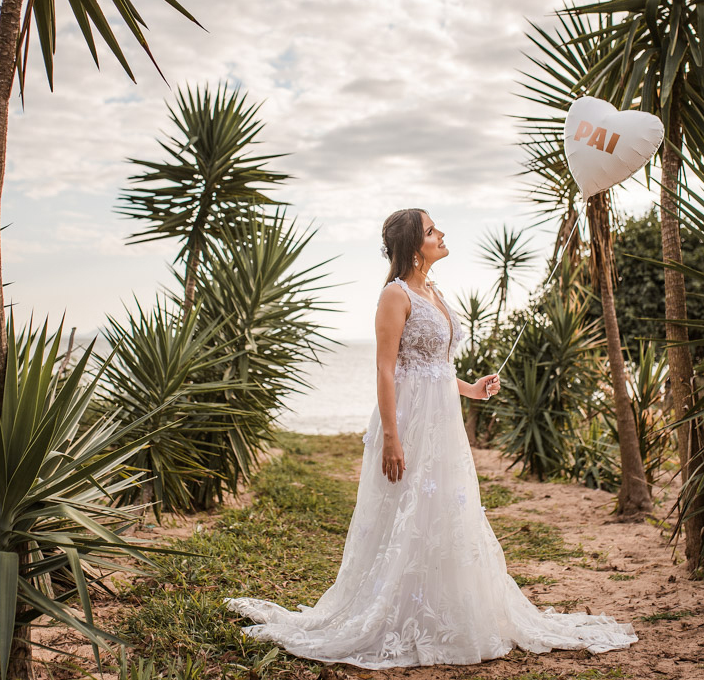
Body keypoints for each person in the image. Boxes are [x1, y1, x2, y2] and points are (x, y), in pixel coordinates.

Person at [225, 208, 638, 668]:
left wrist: (472, 389)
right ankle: (392, 611)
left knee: (445, 511)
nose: (441, 234)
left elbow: (436, 368)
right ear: (411, 245)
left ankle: (442, 610)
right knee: (404, 512)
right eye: (430, 230)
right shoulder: (394, 295)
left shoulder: (434, 293)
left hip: (443, 424)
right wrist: (392, 438)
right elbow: (386, 370)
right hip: (408, 425)